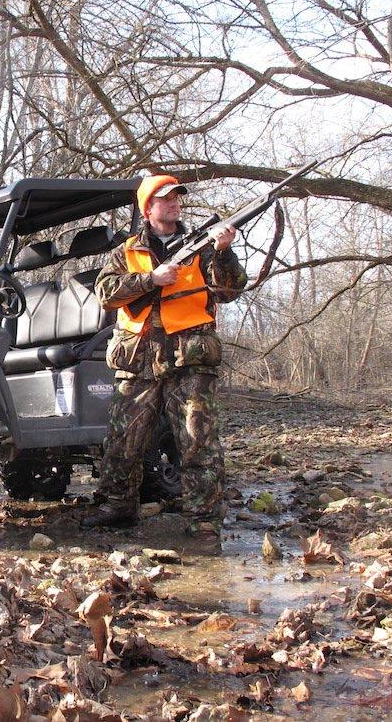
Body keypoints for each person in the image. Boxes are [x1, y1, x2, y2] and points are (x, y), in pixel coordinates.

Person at [81, 174, 247, 555]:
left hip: (188, 357)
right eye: (165, 199)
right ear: (148, 208)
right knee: (123, 440)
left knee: (197, 442)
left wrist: (224, 251)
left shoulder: (203, 246)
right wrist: (149, 279)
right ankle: (117, 506)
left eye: (177, 198)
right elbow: (105, 294)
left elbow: (231, 290)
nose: (174, 203)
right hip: (138, 358)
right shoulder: (125, 251)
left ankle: (203, 522)